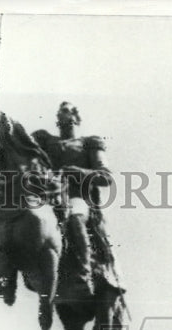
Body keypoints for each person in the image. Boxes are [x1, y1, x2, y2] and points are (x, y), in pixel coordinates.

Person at [32, 101, 115, 278]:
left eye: (66, 111)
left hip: (77, 197)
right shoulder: (47, 141)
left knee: (74, 218)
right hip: (49, 198)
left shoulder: (88, 143)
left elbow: (106, 177)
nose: (61, 115)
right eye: (59, 112)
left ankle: (84, 272)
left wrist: (77, 172)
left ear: (76, 117)